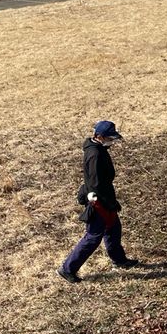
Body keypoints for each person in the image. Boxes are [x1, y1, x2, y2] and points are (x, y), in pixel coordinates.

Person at [58, 120, 140, 282]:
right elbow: (94, 184)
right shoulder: (95, 154)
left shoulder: (99, 148)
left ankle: (119, 259)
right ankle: (67, 269)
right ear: (100, 136)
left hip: (106, 198)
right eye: (110, 138)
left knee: (113, 229)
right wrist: (97, 204)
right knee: (93, 236)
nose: (113, 141)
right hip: (98, 201)